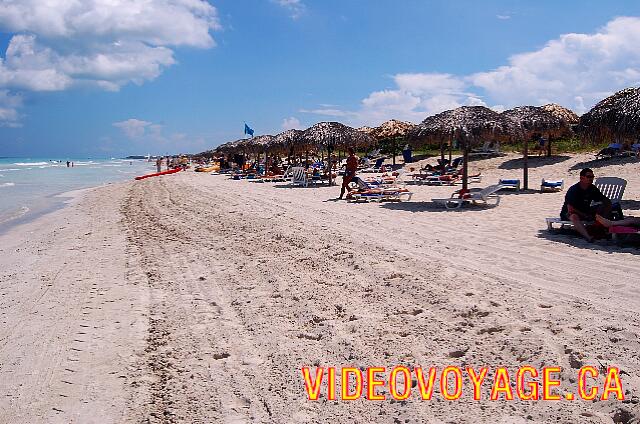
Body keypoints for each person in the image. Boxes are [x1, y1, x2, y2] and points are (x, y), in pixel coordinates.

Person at [560, 168, 611, 242]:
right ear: (582, 178)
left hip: (586, 211)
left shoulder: (592, 188)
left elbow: (604, 199)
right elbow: (570, 208)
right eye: (589, 177)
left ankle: (603, 229)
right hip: (570, 213)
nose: (591, 179)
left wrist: (606, 206)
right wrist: (585, 215)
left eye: (592, 177)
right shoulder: (574, 190)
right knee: (574, 217)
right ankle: (588, 237)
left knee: (604, 206)